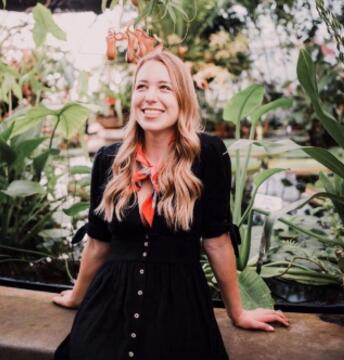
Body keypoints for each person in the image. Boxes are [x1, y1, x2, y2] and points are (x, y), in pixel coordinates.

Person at [53, 49, 289, 360]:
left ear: (183, 98)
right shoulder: (108, 159)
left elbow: (217, 241)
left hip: (180, 305)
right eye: (142, 86)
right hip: (110, 305)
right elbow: (98, 243)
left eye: (164, 87)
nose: (150, 97)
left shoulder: (208, 155)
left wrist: (237, 312)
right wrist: (76, 297)